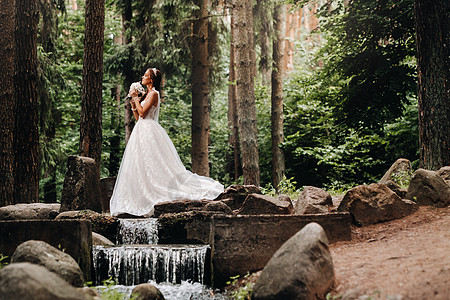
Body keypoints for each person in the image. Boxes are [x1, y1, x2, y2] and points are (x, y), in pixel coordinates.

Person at [110, 68, 224, 217]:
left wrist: (136, 98)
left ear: (151, 79)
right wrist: (133, 101)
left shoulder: (154, 94)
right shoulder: (146, 94)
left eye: (145, 75)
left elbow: (144, 113)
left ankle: (158, 191)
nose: (143, 77)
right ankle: (142, 194)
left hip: (150, 131)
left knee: (154, 163)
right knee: (141, 163)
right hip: (141, 130)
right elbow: (138, 117)